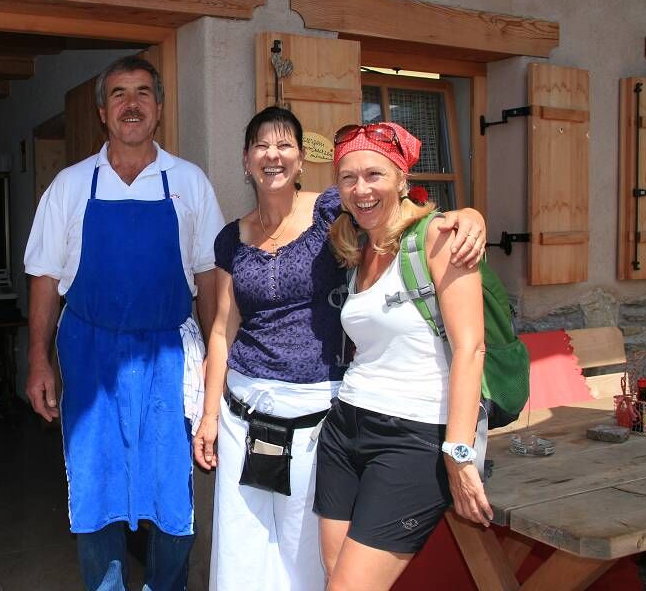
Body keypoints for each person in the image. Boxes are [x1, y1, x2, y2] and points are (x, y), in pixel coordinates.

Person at [193, 108, 487, 591]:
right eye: (261, 146)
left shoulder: (333, 211)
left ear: (301, 159)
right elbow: (223, 329)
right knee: (244, 546)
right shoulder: (235, 237)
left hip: (320, 412)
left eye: (284, 145)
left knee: (308, 558)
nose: (272, 155)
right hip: (248, 411)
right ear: (245, 160)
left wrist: (469, 216)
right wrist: (209, 414)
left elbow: (405, 213)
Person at [23, 55, 224, 591]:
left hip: (169, 356)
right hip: (90, 356)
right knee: (96, 491)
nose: (131, 104)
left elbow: (208, 275)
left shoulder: (189, 182)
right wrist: (38, 359)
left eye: (142, 93)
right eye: (118, 94)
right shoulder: (70, 185)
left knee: (173, 494)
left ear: (158, 108)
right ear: (102, 111)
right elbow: (43, 276)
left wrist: (215, 359)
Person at [314, 122, 492, 591]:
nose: (361, 189)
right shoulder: (357, 246)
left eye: (374, 174)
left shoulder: (437, 237)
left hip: (413, 437)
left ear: (401, 178)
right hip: (345, 426)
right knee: (333, 573)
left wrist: (459, 452)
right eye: (348, 178)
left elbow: (471, 348)